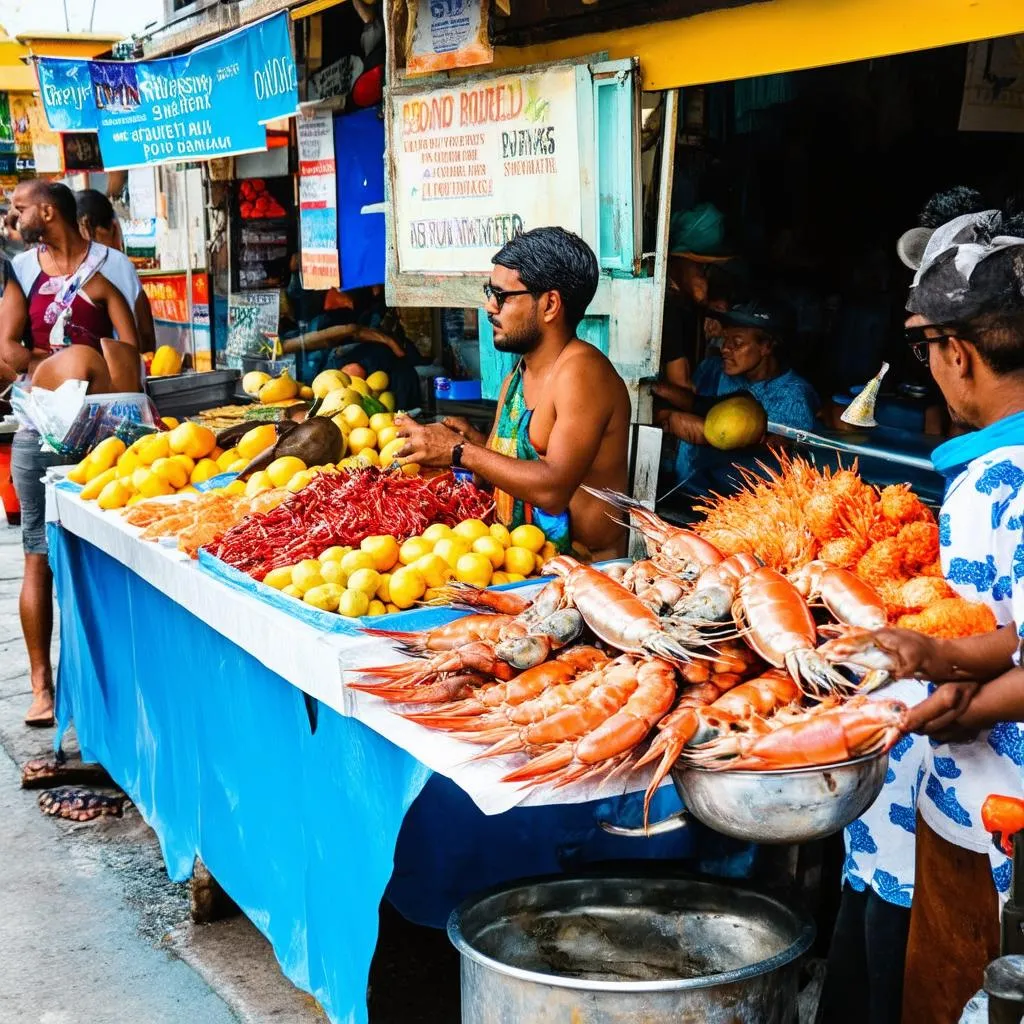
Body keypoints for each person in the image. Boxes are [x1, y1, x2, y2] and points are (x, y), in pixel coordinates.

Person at [834, 207, 1024, 1022]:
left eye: (925, 344)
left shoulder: (997, 482)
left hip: (999, 820)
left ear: (958, 353)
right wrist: (935, 655)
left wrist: (962, 710)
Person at [395, 226, 631, 559]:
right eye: (489, 292)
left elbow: (552, 489)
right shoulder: (518, 375)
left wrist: (460, 451)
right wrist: (473, 443)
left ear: (549, 305)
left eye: (502, 296)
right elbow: (513, 468)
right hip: (522, 568)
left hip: (587, 580)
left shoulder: (582, 372)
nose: (490, 307)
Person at [4, 179, 139, 729]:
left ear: (48, 211)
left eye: (19, 208)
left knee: (113, 553)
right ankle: (42, 687)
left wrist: (81, 366)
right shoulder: (21, 272)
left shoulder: (110, 274)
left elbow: (136, 358)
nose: (12, 218)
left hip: (104, 434)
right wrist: (63, 363)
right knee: (38, 554)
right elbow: (8, 352)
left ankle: (111, 686)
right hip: (39, 428)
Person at [655, 297, 819, 494]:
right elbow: (696, 405)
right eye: (725, 340)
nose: (725, 348)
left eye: (737, 343)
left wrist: (705, 435)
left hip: (730, 506)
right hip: (680, 490)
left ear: (766, 346)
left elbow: (769, 467)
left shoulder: (794, 398)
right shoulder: (712, 369)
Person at [75, 188, 156, 353]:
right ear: (112, 227)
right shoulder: (118, 261)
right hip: (122, 365)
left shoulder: (53, 265)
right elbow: (146, 334)